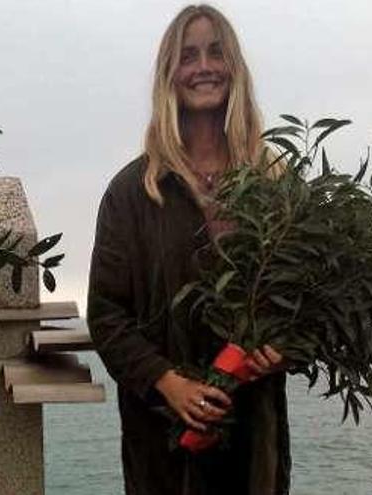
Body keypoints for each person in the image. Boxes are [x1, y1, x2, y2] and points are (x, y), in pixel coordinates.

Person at [87, 4, 291, 495]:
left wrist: (283, 348)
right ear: (169, 75)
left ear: (235, 68)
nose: (204, 67)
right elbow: (107, 313)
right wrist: (167, 381)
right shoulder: (132, 191)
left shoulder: (275, 182)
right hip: (162, 441)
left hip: (254, 435)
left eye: (217, 53)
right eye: (189, 55)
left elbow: (304, 299)